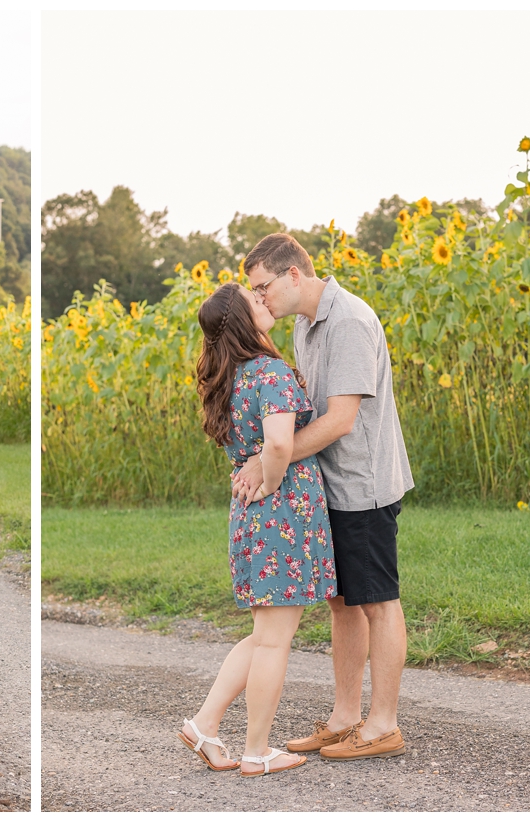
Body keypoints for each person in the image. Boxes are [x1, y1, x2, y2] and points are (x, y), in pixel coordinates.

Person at [234, 233, 413, 761]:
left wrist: (271, 458)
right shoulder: (302, 326)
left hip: (364, 485)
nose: (259, 299)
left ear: (294, 275)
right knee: (342, 603)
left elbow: (340, 419)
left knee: (378, 602)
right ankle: (344, 718)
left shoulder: (351, 321)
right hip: (325, 488)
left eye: (262, 287)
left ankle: (383, 725)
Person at [178, 281, 336, 777]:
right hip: (279, 514)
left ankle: (205, 725)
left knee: (263, 635)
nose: (263, 300)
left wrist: (261, 485)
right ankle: (257, 750)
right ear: (246, 321)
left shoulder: (233, 376)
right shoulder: (270, 372)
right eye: (255, 300)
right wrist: (270, 482)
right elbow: (281, 445)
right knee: (274, 641)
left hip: (252, 520)